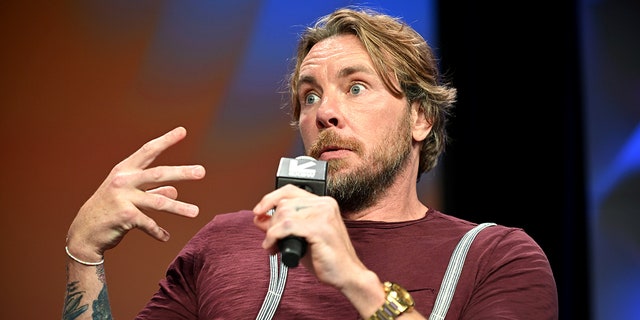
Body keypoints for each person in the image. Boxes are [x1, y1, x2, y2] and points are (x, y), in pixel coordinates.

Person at [63, 6, 558, 320]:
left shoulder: (497, 258)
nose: (325, 112)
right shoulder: (222, 243)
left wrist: (357, 281)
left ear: (421, 118)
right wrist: (83, 255)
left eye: (356, 87)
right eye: (310, 95)